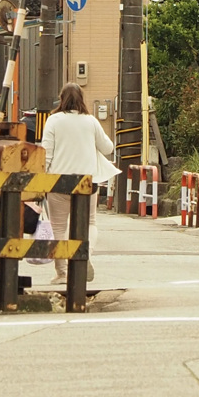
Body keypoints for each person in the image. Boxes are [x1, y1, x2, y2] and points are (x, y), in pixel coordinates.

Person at [40, 82, 119, 284]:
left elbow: (46, 154)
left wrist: (42, 179)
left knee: (58, 226)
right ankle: (86, 256)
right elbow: (108, 148)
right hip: (87, 181)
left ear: (62, 99)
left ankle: (62, 272)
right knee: (89, 222)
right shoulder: (91, 121)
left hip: (58, 182)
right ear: (81, 99)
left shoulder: (54, 120)